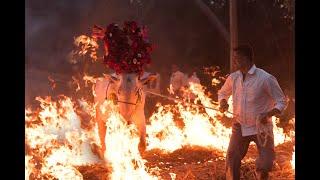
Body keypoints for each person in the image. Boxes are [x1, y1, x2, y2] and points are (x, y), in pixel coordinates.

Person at [218, 44, 287, 180]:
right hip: (240, 125)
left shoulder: (265, 78)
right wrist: (223, 102)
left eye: (237, 58)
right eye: (234, 58)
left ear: (247, 59)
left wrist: (268, 114)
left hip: (261, 128)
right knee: (232, 158)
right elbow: (222, 93)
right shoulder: (233, 78)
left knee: (265, 163)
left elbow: (281, 102)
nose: (234, 61)